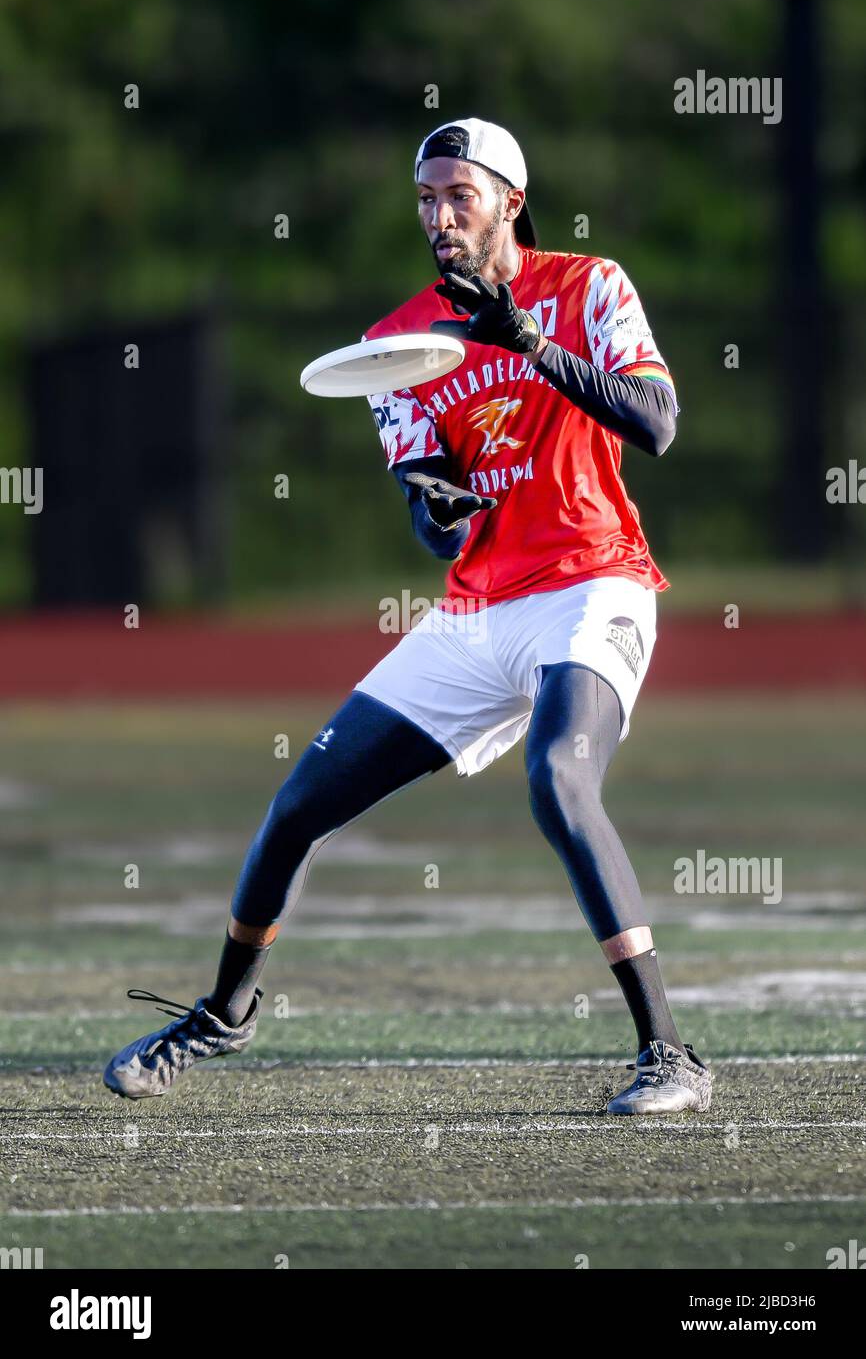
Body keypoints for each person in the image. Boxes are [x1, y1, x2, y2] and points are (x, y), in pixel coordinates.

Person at [104, 118, 711, 1116]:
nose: (436, 215)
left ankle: (668, 1052)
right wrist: (436, 506)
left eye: (456, 196)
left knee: (558, 777)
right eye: (424, 199)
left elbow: (654, 425)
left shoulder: (589, 287)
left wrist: (526, 340)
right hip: (478, 609)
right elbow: (433, 519)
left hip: (592, 582)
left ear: (510, 201)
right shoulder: (400, 340)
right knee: (297, 807)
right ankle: (221, 1013)